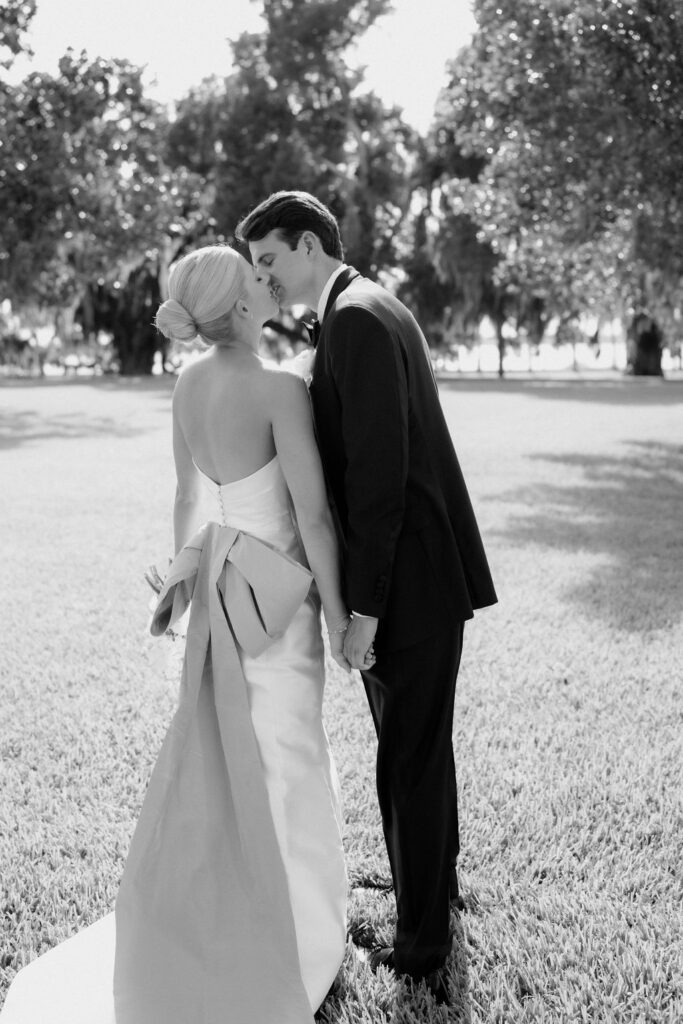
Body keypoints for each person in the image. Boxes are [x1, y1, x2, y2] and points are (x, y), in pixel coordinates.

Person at [0, 245, 360, 1024]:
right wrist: (338, 617)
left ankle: (226, 908)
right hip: (277, 604)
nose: (269, 284)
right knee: (289, 760)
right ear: (237, 308)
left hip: (218, 590)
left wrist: (177, 577)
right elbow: (316, 519)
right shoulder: (276, 392)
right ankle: (298, 935)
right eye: (257, 280)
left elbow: (184, 494)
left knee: (233, 767)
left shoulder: (190, 384)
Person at [236, 192, 498, 1005]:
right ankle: (433, 892)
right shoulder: (363, 302)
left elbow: (379, 483)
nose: (264, 280)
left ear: (309, 244)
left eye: (269, 261)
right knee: (420, 753)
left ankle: (419, 947)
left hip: (407, 590)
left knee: (407, 763)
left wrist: (364, 611)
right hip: (420, 579)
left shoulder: (353, 318)